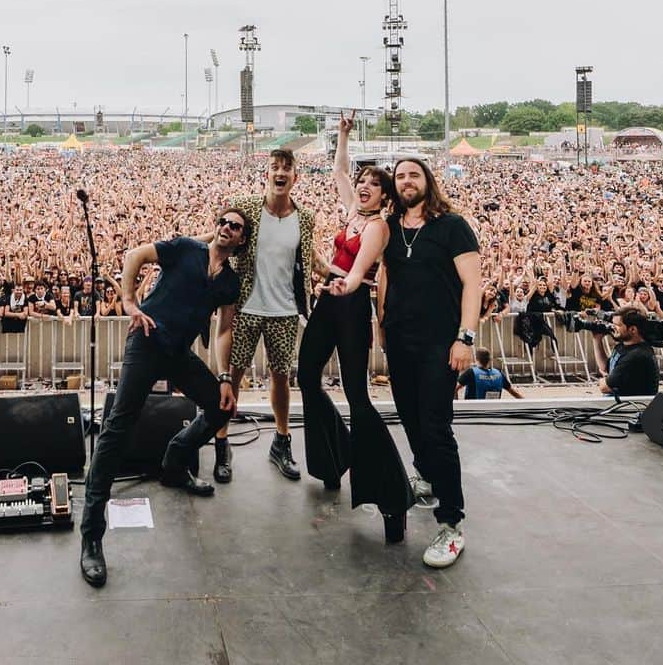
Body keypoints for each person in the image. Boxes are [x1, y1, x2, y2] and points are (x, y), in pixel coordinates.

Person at [79, 208, 250, 589]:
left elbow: (224, 330)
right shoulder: (186, 249)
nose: (226, 227)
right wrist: (129, 302)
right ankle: (91, 534)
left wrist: (224, 378)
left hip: (178, 353)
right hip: (147, 339)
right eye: (222, 221)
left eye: (235, 226)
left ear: (241, 240)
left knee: (221, 408)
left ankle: (174, 464)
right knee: (117, 427)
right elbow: (135, 256)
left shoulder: (229, 284)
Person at [301, 112, 414, 542]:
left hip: (351, 306)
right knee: (307, 377)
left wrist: (344, 279)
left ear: (385, 197)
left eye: (373, 183)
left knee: (357, 397)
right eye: (363, 180)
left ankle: (391, 498)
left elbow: (362, 267)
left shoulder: (379, 226)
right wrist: (343, 136)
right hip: (328, 303)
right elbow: (338, 171)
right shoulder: (351, 211)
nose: (363, 185)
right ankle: (335, 456)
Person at [378, 157, 480, 569]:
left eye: (413, 175)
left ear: (427, 181)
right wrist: (382, 325)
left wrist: (465, 338)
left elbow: (473, 283)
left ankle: (451, 522)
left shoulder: (452, 227)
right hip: (401, 342)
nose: (406, 182)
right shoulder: (391, 227)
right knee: (411, 418)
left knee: (436, 427)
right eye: (400, 176)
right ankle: (428, 477)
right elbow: (385, 276)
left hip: (442, 344)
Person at [213, 149, 323, 485]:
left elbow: (310, 256)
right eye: (274, 167)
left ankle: (281, 441)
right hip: (245, 306)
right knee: (230, 377)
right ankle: (221, 444)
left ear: (295, 178)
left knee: (280, 377)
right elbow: (219, 238)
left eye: (286, 168)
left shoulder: (304, 218)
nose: (280, 173)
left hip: (285, 310)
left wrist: (339, 273)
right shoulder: (244, 207)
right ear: (267, 175)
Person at [592, 308, 659, 397]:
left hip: (632, 406)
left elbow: (604, 387)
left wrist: (603, 380)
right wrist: (597, 339)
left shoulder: (637, 355)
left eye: (617, 325)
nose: (612, 327)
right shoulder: (622, 346)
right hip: (618, 403)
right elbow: (605, 367)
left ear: (633, 329)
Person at [456, 347, 523, 399]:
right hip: (492, 413)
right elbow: (515, 393)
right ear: (490, 359)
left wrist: (455, 405)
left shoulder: (471, 372)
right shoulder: (499, 374)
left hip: (474, 413)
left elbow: (454, 388)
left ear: (476, 359)